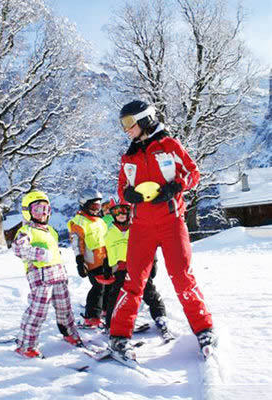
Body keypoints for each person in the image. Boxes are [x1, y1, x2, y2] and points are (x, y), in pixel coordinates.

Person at [109, 100, 216, 361]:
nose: (126, 129)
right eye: (122, 123)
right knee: (133, 282)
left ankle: (203, 329)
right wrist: (129, 195)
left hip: (171, 222)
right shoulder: (129, 156)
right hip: (141, 227)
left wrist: (175, 187)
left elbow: (193, 173)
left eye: (128, 122)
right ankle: (119, 337)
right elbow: (122, 189)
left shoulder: (169, 146)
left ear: (145, 120)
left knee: (182, 276)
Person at [13, 191, 81, 358]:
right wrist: (39, 254)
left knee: (64, 308)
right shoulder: (26, 230)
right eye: (37, 210)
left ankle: (69, 333)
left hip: (58, 274)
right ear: (27, 211)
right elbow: (18, 248)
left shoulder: (51, 230)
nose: (43, 214)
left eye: (46, 209)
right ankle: (26, 345)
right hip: (40, 275)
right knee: (38, 311)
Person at [104, 200, 173, 341]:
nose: (121, 214)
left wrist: (153, 263)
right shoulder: (108, 231)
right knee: (116, 296)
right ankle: (111, 323)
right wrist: (106, 268)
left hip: (138, 267)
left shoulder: (136, 227)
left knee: (149, 291)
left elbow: (149, 245)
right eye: (117, 211)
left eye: (124, 211)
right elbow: (105, 251)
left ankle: (160, 316)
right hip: (119, 269)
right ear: (112, 214)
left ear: (129, 212)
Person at [67, 188, 108, 328]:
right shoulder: (79, 222)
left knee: (108, 285)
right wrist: (80, 262)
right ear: (84, 205)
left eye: (98, 206)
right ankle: (91, 317)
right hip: (91, 262)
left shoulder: (100, 220)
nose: (96, 210)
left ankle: (105, 310)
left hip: (105, 260)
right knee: (98, 287)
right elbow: (76, 244)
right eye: (93, 207)